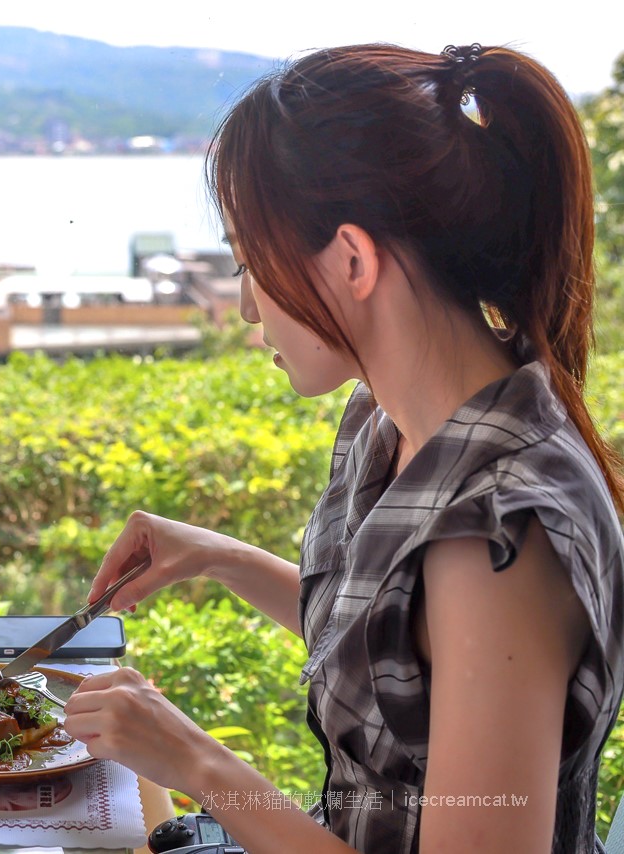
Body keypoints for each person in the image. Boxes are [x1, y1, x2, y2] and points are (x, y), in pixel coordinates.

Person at [62, 43, 624, 853]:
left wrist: (197, 761)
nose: (251, 309)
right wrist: (223, 557)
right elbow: (400, 662)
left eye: (253, 264)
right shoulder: (388, 421)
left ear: (353, 261)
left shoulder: (500, 535)